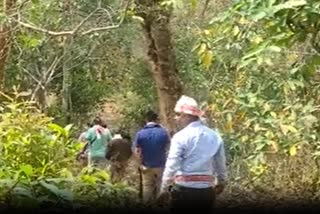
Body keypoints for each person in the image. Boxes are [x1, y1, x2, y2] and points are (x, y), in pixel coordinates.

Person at [159, 95, 228, 213]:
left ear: (187, 115)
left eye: (178, 114)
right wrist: (222, 182)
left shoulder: (180, 137)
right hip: (206, 192)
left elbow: (172, 165)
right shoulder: (214, 136)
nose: (176, 118)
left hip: (183, 191)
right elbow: (220, 163)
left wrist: (164, 189)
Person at [132, 110, 170, 205]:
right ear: (157, 120)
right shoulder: (164, 132)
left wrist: (140, 165)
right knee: (161, 188)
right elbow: (169, 149)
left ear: (146, 120)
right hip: (161, 166)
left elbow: (137, 151)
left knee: (147, 188)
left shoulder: (140, 133)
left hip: (146, 166)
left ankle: (147, 207)